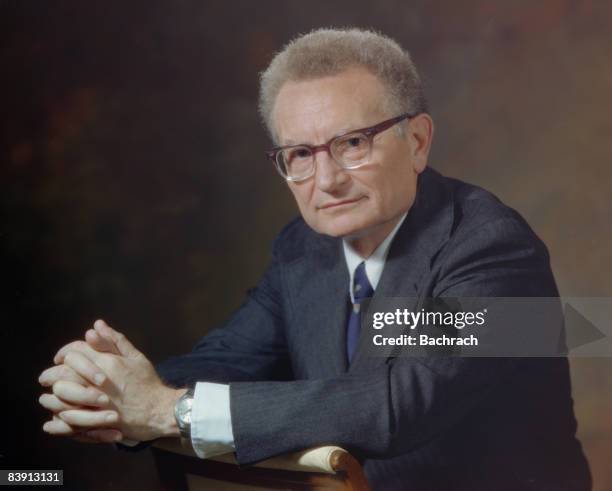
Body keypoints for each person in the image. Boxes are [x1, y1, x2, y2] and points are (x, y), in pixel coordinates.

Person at [38, 28, 591, 490]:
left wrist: (164, 411)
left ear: (418, 141)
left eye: (353, 143)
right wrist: (111, 393)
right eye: (300, 154)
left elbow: (395, 403)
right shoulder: (304, 249)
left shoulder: (493, 248)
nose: (326, 180)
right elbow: (232, 357)